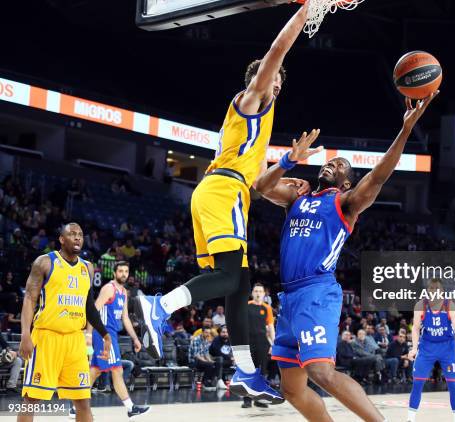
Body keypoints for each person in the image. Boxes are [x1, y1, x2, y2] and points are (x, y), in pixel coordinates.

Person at [134, 2, 311, 404]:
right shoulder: (251, 100)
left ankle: (247, 372)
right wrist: (307, 9)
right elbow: (278, 50)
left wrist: (288, 169)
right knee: (232, 279)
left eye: (281, 84)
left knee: (239, 283)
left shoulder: (260, 129)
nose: (277, 87)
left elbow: (263, 186)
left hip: (227, 193)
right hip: (222, 192)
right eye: (273, 80)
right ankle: (160, 305)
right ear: (260, 79)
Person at [256, 92, 438, 421]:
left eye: (340, 166)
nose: (331, 164)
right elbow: (261, 187)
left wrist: (406, 129)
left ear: (347, 181)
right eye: (330, 161)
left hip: (316, 290)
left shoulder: (346, 203)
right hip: (291, 296)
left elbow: (380, 174)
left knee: (321, 372)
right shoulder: (298, 196)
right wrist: (287, 161)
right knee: (292, 388)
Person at [17, 223, 111, 422]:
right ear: (61, 239)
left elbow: (89, 307)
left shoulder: (87, 267)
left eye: (80, 235)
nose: (77, 238)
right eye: (72, 234)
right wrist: (25, 333)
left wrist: (105, 334)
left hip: (75, 341)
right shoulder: (44, 262)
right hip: (46, 337)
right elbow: (29, 299)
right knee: (31, 398)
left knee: (83, 400)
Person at [69, 261, 149, 419]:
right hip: (102, 333)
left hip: (111, 334)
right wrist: (89, 335)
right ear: (114, 273)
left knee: (96, 371)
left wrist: (135, 338)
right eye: (121, 271)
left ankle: (74, 407)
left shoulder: (124, 292)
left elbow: (125, 318)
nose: (124, 274)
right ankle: (130, 408)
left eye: (126, 271)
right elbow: (93, 311)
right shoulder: (108, 289)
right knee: (116, 370)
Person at [406, 278, 455, 422]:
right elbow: (415, 328)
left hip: (448, 347)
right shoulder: (421, 305)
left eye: (436, 288)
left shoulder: (450, 306)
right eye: (431, 288)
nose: (433, 291)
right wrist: (414, 348)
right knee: (417, 383)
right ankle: (410, 419)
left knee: (453, 384)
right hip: (427, 347)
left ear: (442, 291)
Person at [243, 283, 275, 408]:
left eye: (260, 291)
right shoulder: (246, 306)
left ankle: (259, 399)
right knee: (248, 371)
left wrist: (274, 344)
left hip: (262, 342)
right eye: (255, 291)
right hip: (248, 342)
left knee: (262, 372)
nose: (257, 293)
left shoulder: (267, 308)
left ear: (263, 294)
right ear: (252, 293)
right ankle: (247, 399)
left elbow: (270, 327)